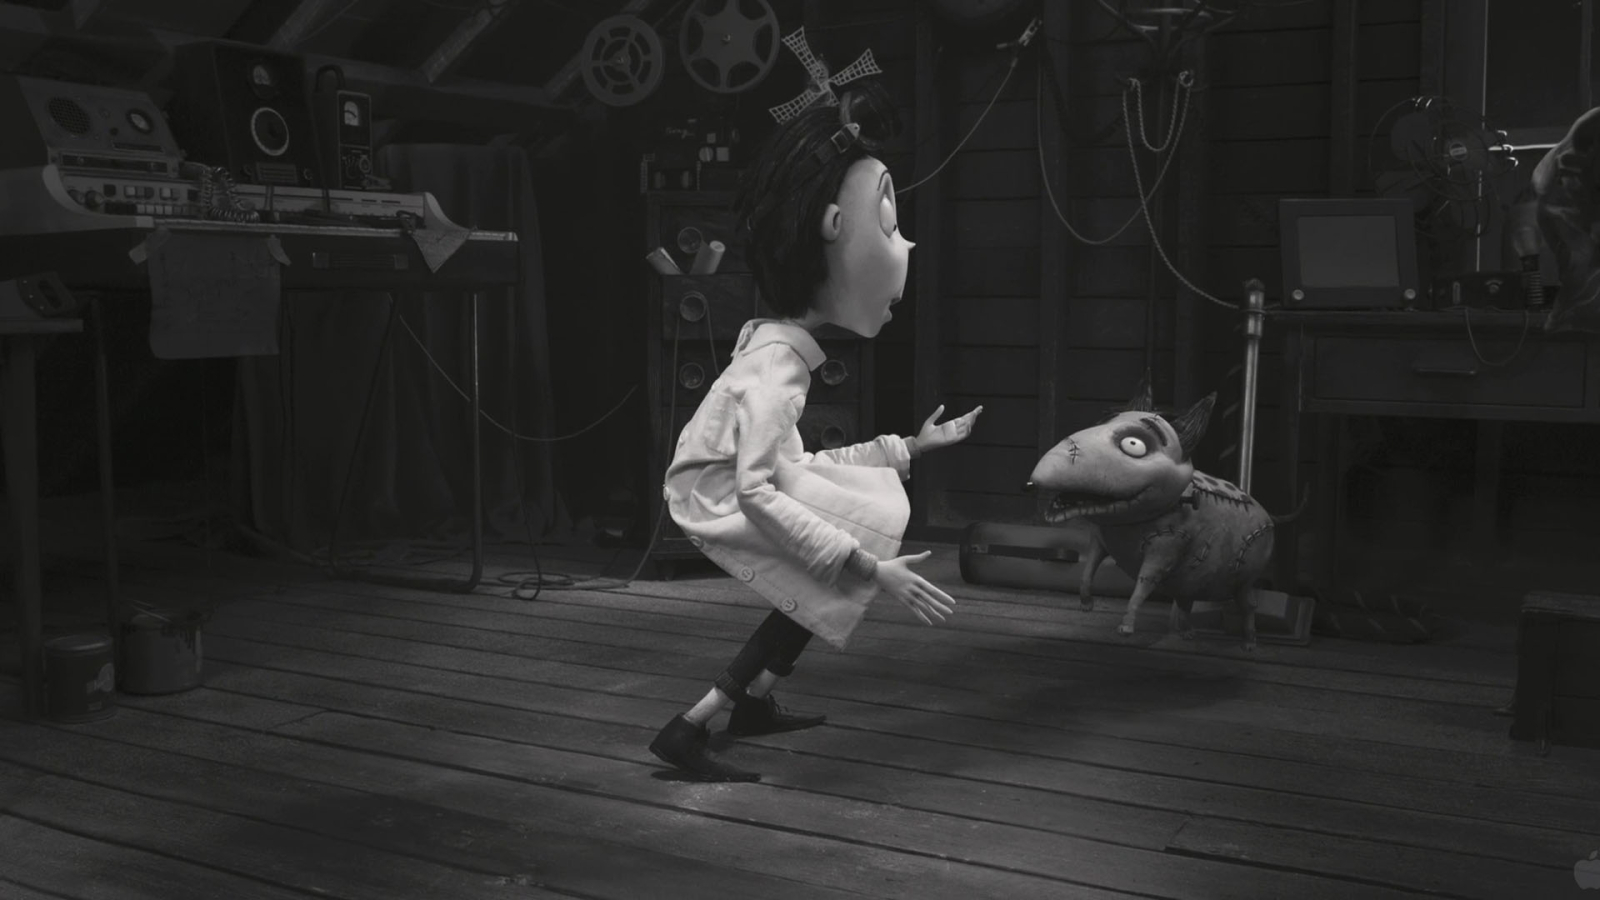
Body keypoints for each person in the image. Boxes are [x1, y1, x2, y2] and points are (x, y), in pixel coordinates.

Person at [647, 79, 983, 783]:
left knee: (850, 527)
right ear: (832, 226)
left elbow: (802, 463)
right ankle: (693, 723)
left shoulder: (781, 354)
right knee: (827, 565)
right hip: (718, 495)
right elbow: (758, 489)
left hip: (743, 483)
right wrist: (868, 569)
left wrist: (908, 448)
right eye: (887, 222)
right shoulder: (777, 371)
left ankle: (755, 702)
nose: (905, 242)